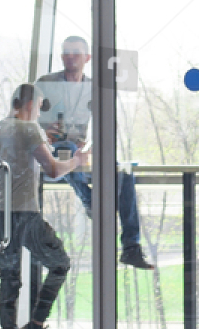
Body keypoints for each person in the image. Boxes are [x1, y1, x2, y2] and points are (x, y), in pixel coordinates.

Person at [36, 35, 153, 269]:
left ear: (87, 58)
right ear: (61, 57)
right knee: (65, 150)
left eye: (76, 52)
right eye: (66, 52)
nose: (70, 57)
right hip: (50, 153)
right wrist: (43, 129)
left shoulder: (94, 88)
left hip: (78, 154)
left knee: (124, 173)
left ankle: (131, 247)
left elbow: (106, 124)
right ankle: (91, 201)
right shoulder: (46, 83)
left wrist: (91, 149)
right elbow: (27, 116)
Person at [0, 84, 88, 329]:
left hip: (0, 213)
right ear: (30, 104)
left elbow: (15, 163)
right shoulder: (28, 129)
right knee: (60, 264)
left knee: (8, 276)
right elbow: (53, 169)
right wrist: (77, 161)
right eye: (39, 106)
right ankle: (36, 324)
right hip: (26, 212)